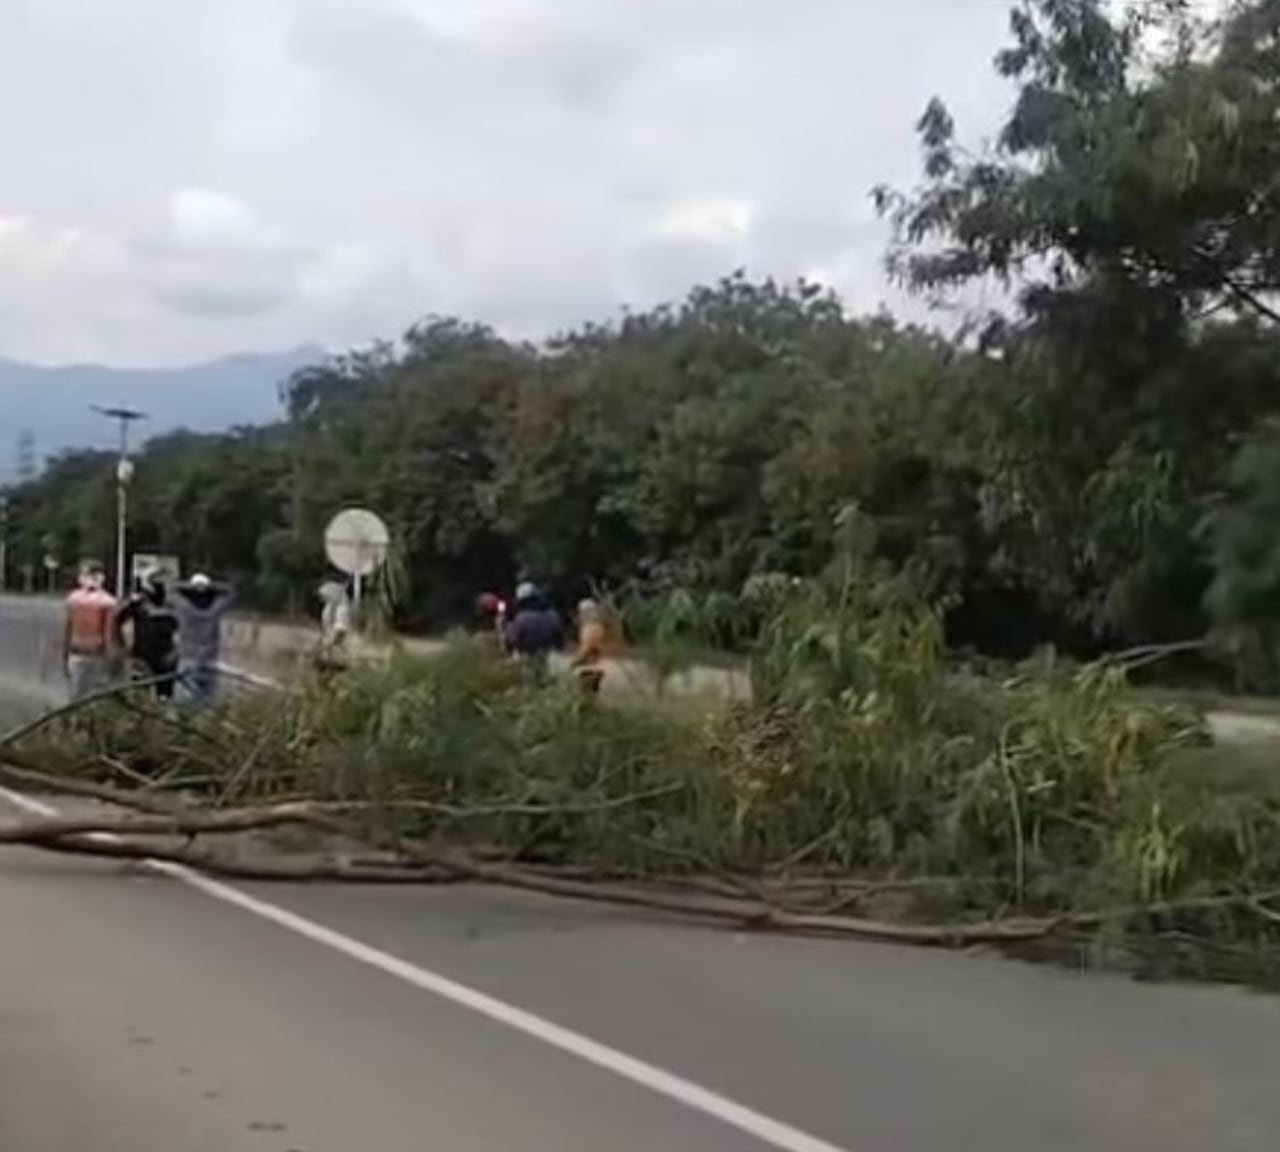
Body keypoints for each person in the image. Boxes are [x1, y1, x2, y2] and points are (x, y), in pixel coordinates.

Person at [115, 569, 180, 698]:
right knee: (141, 692)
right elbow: (118, 621)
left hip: (166, 655)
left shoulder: (172, 604)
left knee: (164, 694)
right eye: (157, 581)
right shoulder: (138, 602)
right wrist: (122, 644)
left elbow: (180, 627)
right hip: (142, 654)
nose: (163, 584)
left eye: (164, 581)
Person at [173, 572, 234, 705]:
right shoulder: (215, 609)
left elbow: (172, 590)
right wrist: (210, 587)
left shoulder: (184, 607)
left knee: (184, 703)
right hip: (209, 659)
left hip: (188, 658)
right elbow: (229, 592)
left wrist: (190, 586)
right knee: (208, 703)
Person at [62, 560, 118, 701]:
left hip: (76, 652)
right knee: (93, 696)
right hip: (95, 653)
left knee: (75, 695)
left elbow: (67, 628)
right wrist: (110, 659)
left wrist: (64, 654)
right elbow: (107, 633)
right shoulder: (107, 601)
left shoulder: (73, 599)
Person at [503, 581, 564, 672]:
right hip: (550, 656)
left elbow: (513, 640)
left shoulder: (521, 618)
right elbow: (559, 637)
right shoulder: (552, 614)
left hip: (528, 658)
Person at [571, 598, 612, 695]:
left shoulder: (591, 628)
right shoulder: (597, 626)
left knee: (586, 695)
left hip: (589, 668)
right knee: (591, 694)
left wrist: (575, 662)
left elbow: (587, 648)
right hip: (596, 667)